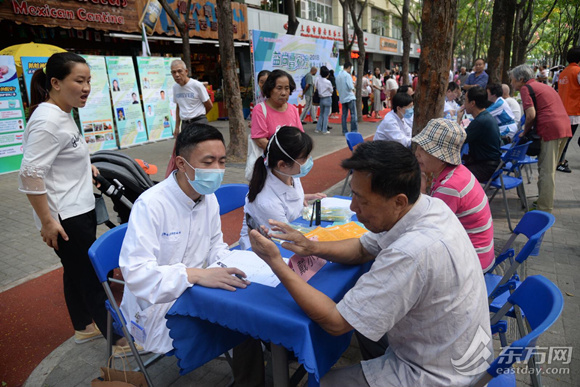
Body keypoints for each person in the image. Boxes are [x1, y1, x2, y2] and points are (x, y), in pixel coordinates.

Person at [249, 141, 492, 387]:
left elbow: (336, 321)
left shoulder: (410, 254)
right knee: (366, 330)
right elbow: (363, 247)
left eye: (361, 200)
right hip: (456, 351)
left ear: (398, 201)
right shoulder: (428, 206)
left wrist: (276, 263)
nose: (354, 207)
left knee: (321, 383)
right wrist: (311, 246)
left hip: (435, 374)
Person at [119, 124, 263, 384]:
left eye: (222, 161)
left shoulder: (208, 198)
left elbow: (215, 246)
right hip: (157, 305)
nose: (217, 170)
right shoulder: (151, 205)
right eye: (208, 162)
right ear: (181, 164)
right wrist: (195, 275)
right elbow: (137, 275)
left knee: (253, 310)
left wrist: (237, 262)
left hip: (197, 289)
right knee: (246, 323)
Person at [18, 52, 128, 353]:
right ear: (55, 82)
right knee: (91, 276)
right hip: (66, 216)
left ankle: (82, 327)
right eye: (79, 80)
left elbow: (61, 156)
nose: (86, 87)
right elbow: (29, 176)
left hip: (78, 208)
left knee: (75, 269)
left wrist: (86, 166)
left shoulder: (62, 112)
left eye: (88, 80)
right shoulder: (48, 121)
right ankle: (118, 340)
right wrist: (47, 222)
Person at [413, 118, 495, 272]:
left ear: (442, 155)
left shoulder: (450, 187)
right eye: (418, 147)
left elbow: (427, 228)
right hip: (480, 253)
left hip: (473, 261)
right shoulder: (458, 172)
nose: (417, 153)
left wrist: (421, 192)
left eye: (424, 149)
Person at [239, 126, 325, 249]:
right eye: (304, 158)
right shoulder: (266, 201)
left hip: (289, 233)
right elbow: (287, 239)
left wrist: (302, 197)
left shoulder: (289, 174)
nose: (309, 161)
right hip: (267, 250)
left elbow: (288, 198)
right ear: (282, 164)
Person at [510, 64, 572, 212]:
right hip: (564, 128)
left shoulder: (526, 89)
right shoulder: (542, 86)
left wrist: (524, 132)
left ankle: (544, 209)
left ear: (521, 79)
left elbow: (531, 115)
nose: (512, 83)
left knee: (546, 171)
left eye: (512, 80)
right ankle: (543, 201)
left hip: (551, 130)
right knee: (549, 170)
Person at [165, 59, 214, 177]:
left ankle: (205, 175)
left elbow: (209, 105)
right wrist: (177, 126)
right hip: (186, 124)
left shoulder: (196, 85)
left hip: (199, 121)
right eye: (173, 72)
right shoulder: (175, 88)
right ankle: (188, 175)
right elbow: (178, 107)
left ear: (186, 71)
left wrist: (201, 116)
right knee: (186, 152)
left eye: (179, 71)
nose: (177, 75)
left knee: (201, 151)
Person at [250, 69, 303, 151]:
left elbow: (300, 135)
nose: (283, 93)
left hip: (292, 160)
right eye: (279, 88)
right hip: (272, 160)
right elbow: (260, 140)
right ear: (270, 89)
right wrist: (283, 153)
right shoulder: (259, 110)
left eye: (287, 88)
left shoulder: (293, 109)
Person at [458, 86, 502, 183]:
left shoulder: (480, 121)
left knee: (453, 175)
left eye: (465, 100)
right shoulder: (485, 116)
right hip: (492, 165)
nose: (464, 104)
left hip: (486, 168)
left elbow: (458, 139)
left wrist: (458, 120)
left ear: (472, 103)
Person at [557, 46, 580, 173]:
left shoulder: (564, 72)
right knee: (567, 139)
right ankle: (559, 162)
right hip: (574, 111)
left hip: (563, 110)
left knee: (565, 138)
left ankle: (560, 160)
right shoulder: (577, 71)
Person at [336, 62, 358, 135]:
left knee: (344, 115)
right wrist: (354, 87)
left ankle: (344, 131)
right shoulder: (347, 75)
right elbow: (350, 86)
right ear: (349, 67)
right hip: (350, 96)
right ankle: (353, 131)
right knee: (353, 115)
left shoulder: (338, 76)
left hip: (342, 97)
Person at [315, 66, 333, 134]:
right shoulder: (328, 82)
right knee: (326, 115)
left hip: (321, 98)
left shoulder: (318, 80)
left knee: (321, 114)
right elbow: (331, 90)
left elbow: (316, 87)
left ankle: (318, 128)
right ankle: (324, 129)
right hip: (327, 98)